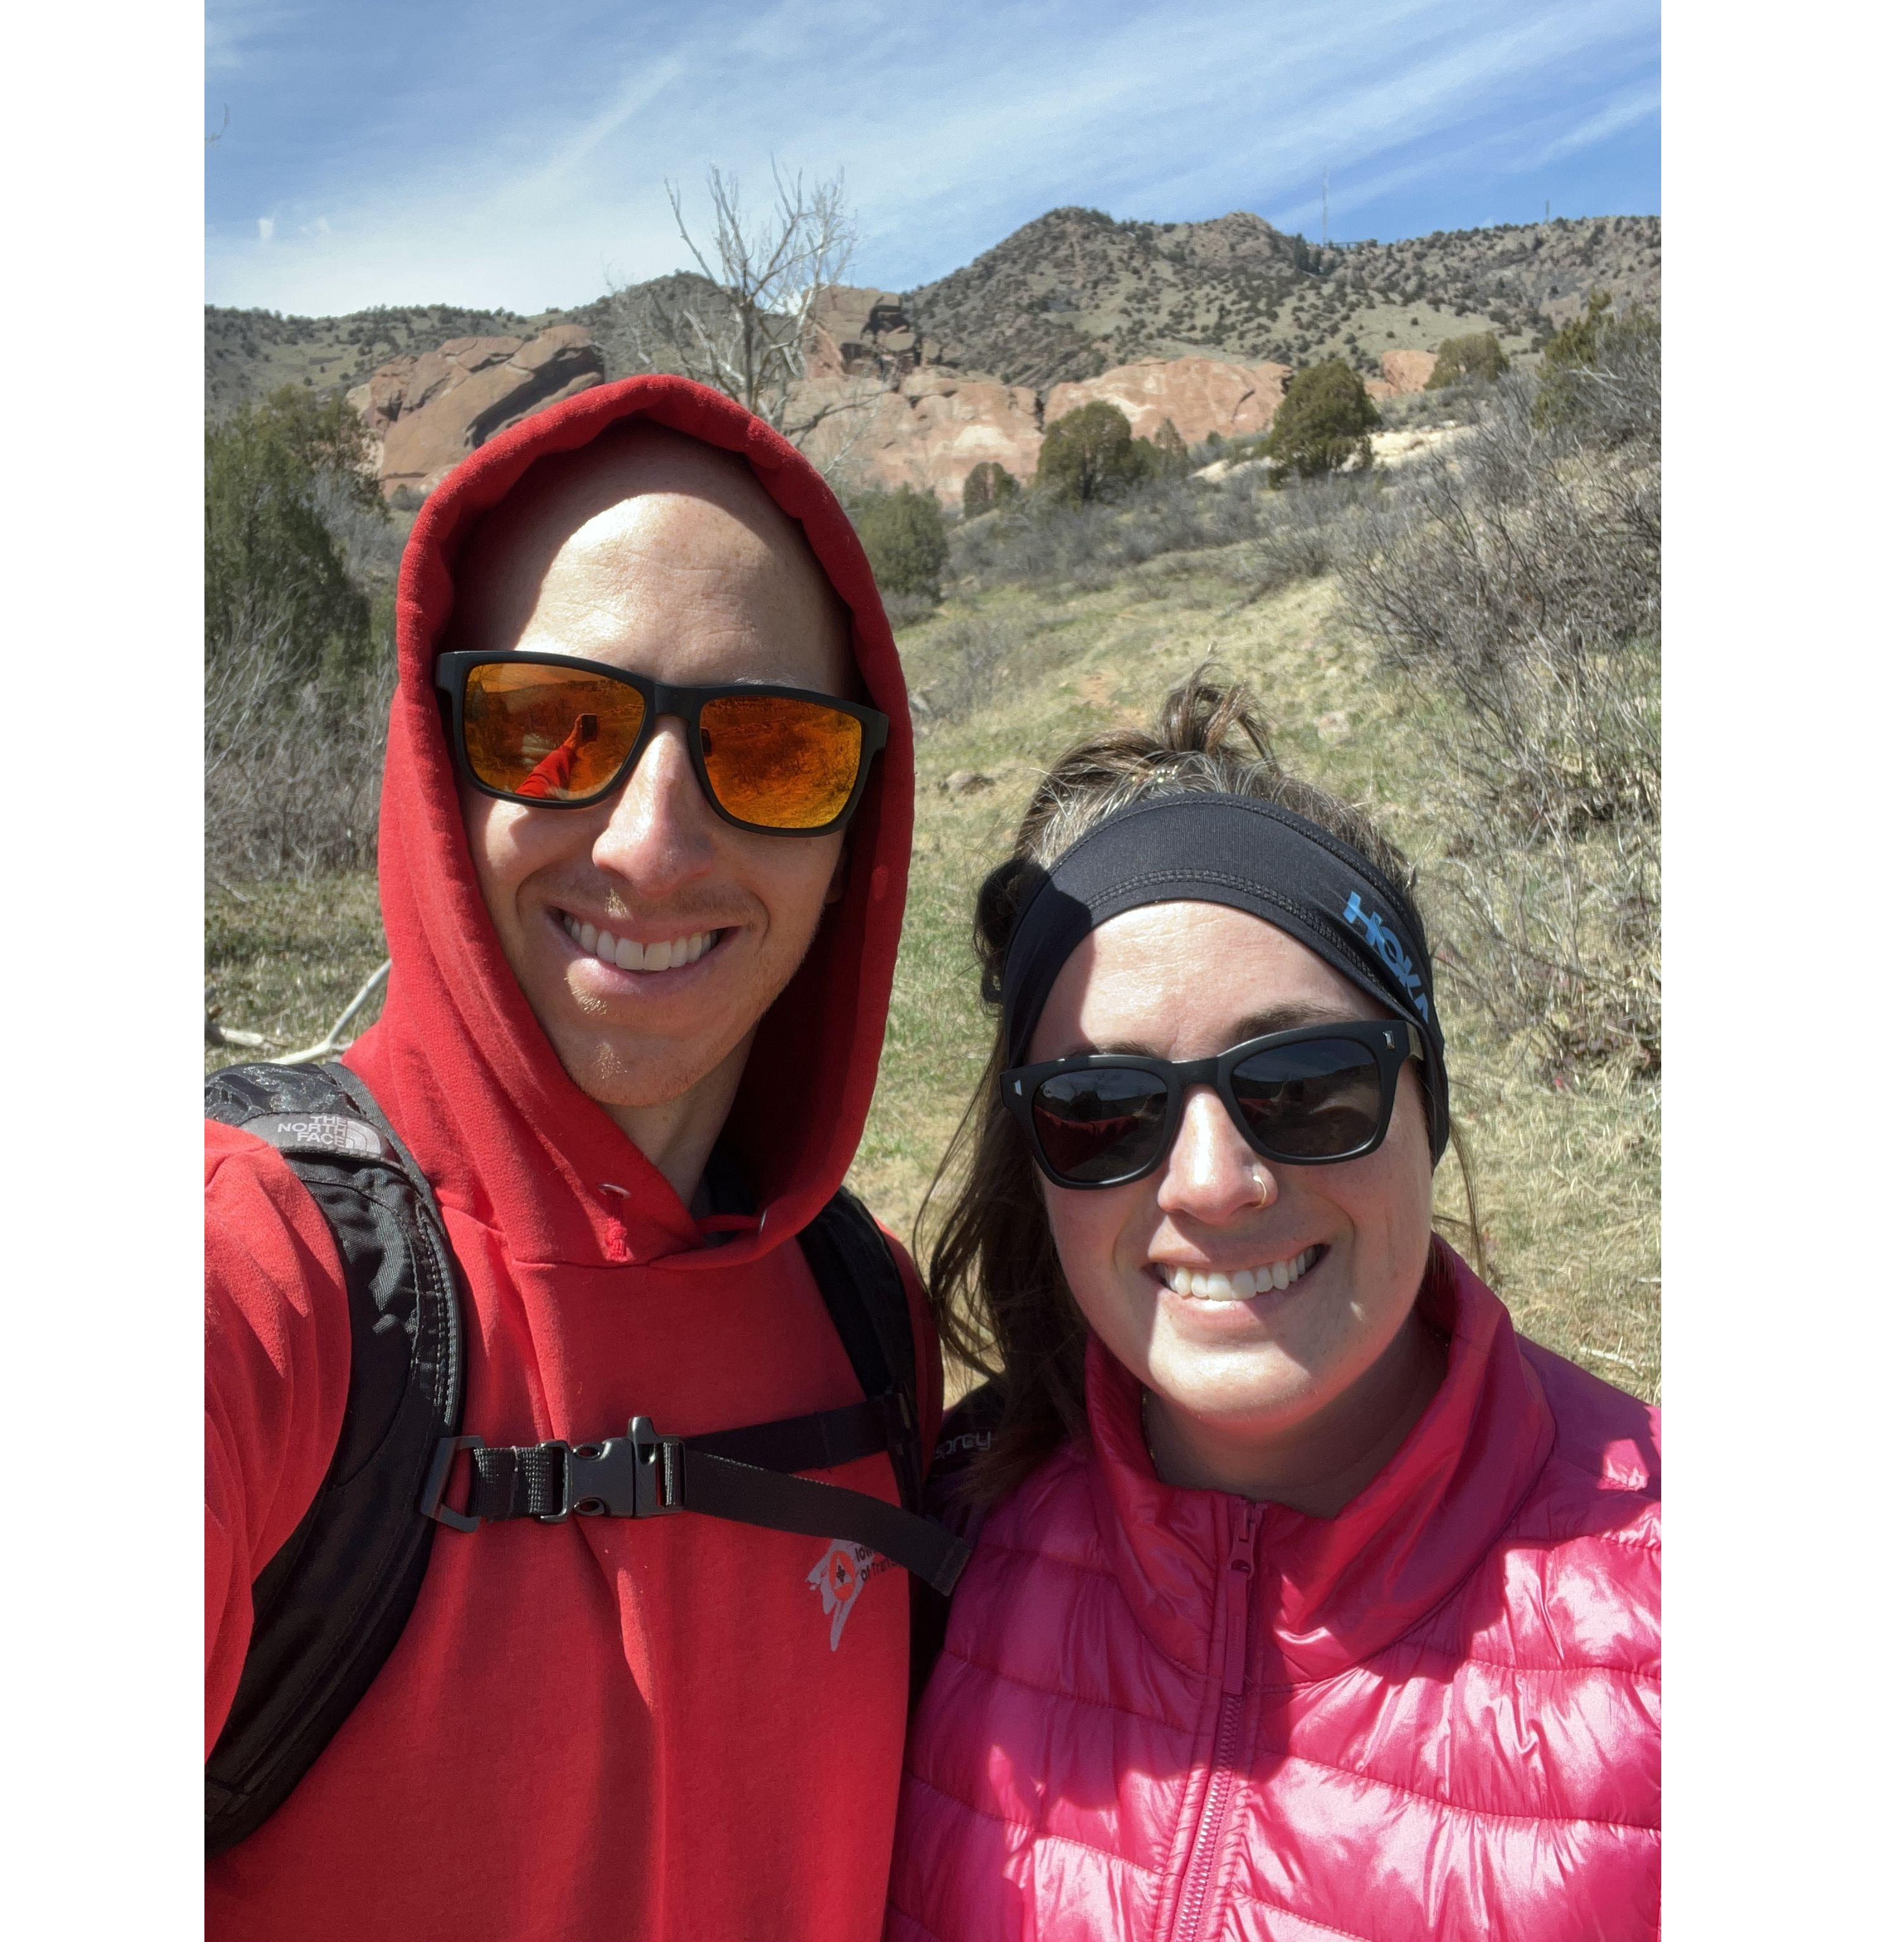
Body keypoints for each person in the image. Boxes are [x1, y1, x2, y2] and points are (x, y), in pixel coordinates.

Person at [206, 375, 949, 1941]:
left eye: (768, 748)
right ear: (435, 759)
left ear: (853, 826)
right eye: (554, 730)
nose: (650, 843)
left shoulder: (869, 1310)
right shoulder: (255, 1276)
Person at [888, 672, 1660, 1942]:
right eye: (1102, 1110)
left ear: (1425, 1099)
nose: (1213, 1181)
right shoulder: (932, 1547)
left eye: (1302, 1084)